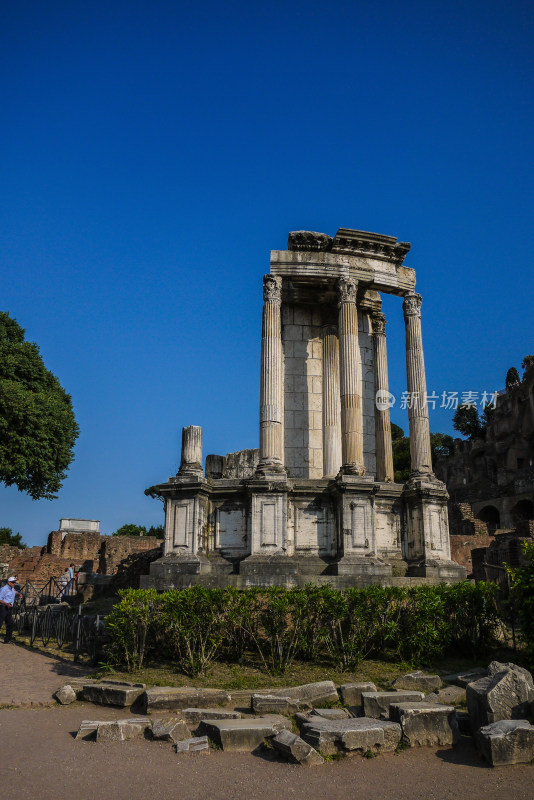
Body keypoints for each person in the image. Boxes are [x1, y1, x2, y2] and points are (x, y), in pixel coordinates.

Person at [0, 576, 22, 644]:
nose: (14, 583)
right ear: (8, 582)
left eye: (15, 582)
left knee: (10, 623)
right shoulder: (4, 589)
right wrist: (6, 604)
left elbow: (14, 592)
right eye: (13, 582)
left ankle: (7, 640)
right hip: (3, 608)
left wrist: (19, 594)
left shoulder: (12, 588)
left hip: (9, 608)